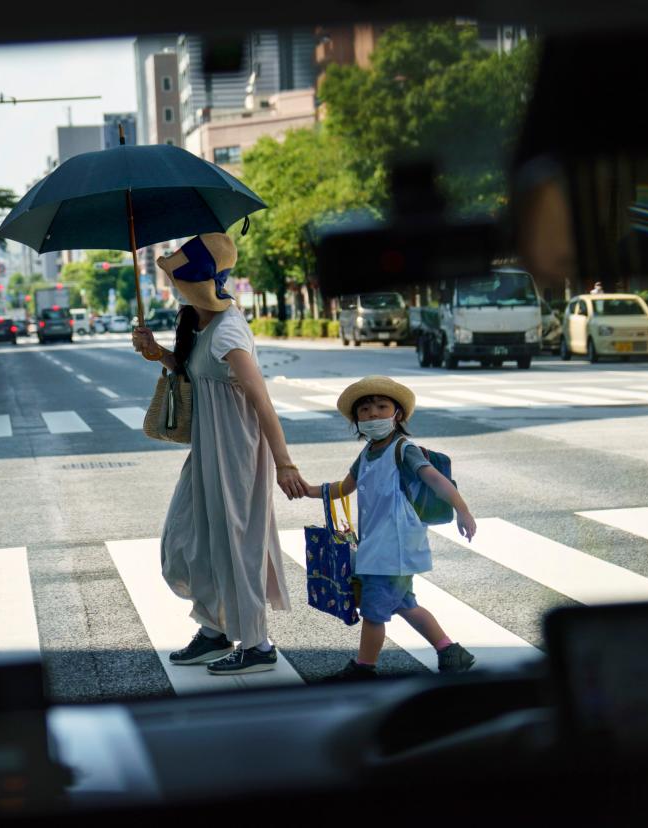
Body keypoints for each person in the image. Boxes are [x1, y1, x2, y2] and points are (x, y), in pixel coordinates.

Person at [131, 233, 311, 676]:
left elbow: (261, 400)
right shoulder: (199, 324)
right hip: (209, 447)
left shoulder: (228, 329)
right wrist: (158, 354)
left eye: (178, 280)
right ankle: (214, 629)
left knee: (238, 544)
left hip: (237, 450)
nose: (174, 287)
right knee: (189, 536)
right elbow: (195, 374)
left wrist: (284, 462)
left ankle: (257, 644)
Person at [299, 376, 479, 681]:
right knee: (405, 604)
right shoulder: (367, 453)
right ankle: (451, 652)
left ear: (398, 414)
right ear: (356, 419)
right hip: (378, 544)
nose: (373, 414)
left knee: (373, 611)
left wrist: (463, 510)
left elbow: (434, 478)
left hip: (394, 545)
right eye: (365, 410)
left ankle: (364, 668)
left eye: (382, 407)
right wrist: (308, 490)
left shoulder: (402, 449)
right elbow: (345, 487)